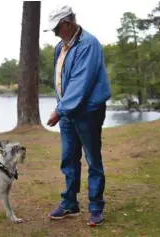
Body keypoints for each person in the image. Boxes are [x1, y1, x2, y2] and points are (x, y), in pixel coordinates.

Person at [44, 5, 111, 227]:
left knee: (93, 160)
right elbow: (61, 81)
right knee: (69, 158)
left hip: (88, 112)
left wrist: (59, 110)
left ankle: (95, 207)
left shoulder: (88, 44)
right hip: (67, 111)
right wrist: (61, 107)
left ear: (67, 23)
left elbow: (79, 84)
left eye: (56, 29)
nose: (54, 33)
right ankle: (70, 203)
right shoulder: (59, 47)